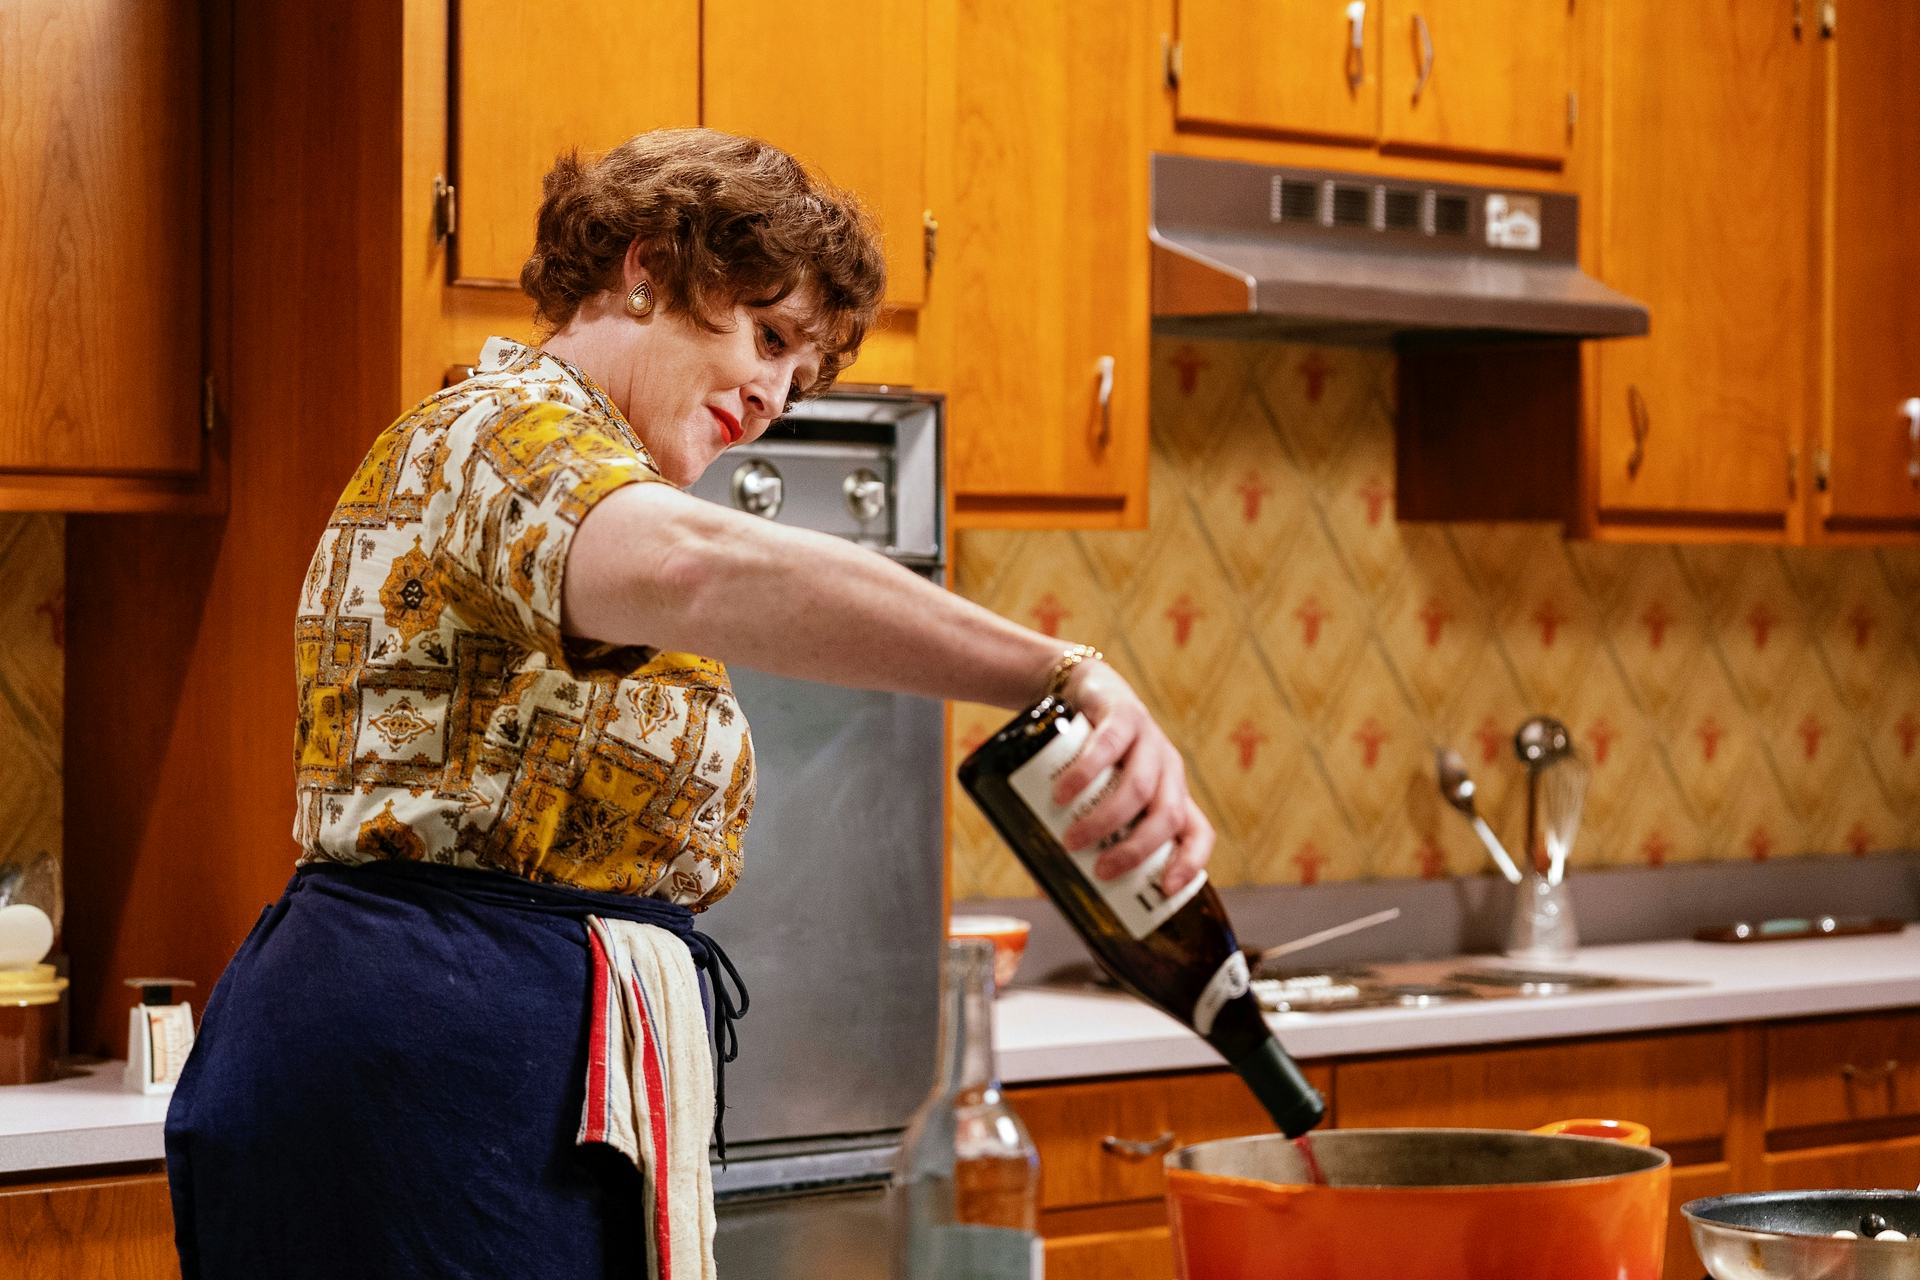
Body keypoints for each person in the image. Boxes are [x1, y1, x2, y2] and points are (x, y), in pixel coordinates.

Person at [163, 127, 1214, 1279]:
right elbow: (695, 568)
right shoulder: (499, 434)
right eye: (766, 337)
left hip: (506, 1074)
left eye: (800, 378)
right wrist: (1058, 671)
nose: (773, 398)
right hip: (415, 1069)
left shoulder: (581, 462)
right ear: (650, 264)